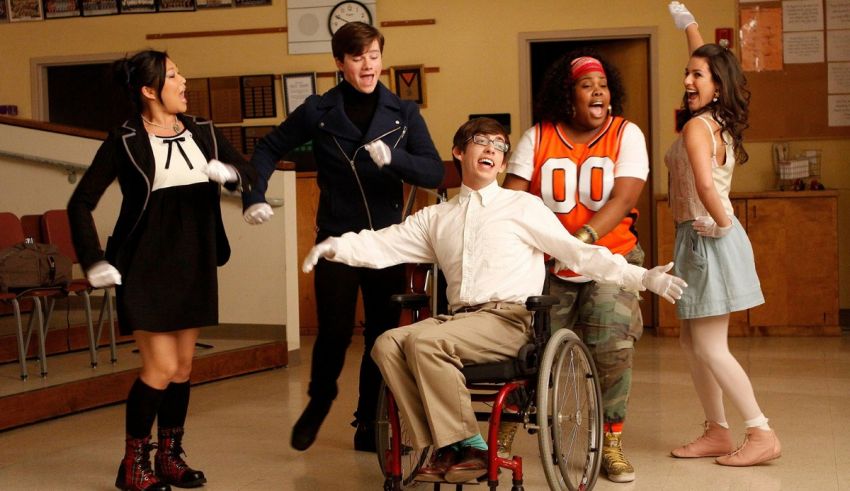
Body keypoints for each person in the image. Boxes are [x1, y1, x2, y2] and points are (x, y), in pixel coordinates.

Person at [301, 117, 686, 484]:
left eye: (500, 146)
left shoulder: (522, 207)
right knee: (387, 344)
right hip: (459, 322)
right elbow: (382, 243)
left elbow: (577, 252)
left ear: (503, 163)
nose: (492, 149)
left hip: (511, 320)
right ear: (458, 152)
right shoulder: (437, 217)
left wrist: (642, 277)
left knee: (423, 341)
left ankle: (468, 446)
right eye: (481, 142)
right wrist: (333, 246)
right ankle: (443, 448)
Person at [242, 21, 443, 452]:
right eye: (357, 58)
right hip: (336, 238)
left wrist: (396, 159)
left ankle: (368, 423)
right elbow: (267, 148)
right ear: (340, 63)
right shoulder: (318, 111)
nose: (368, 65)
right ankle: (319, 401)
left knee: (381, 335)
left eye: (374, 56)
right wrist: (254, 193)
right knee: (333, 331)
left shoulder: (404, 113)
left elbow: (434, 171)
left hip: (388, 242)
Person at [67, 50, 256, 491]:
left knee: (184, 367)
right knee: (161, 367)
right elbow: (81, 202)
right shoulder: (125, 138)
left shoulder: (204, 131)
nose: (184, 80)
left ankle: (170, 458)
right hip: (144, 265)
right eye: (173, 75)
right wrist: (94, 258)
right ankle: (133, 465)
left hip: (194, 262)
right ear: (149, 90)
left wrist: (231, 175)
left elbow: (246, 172)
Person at [502, 50, 648, 483]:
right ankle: (502, 436)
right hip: (548, 266)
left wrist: (579, 242)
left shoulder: (627, 134)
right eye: (587, 85)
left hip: (610, 259)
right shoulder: (538, 136)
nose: (598, 90)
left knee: (611, 346)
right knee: (526, 347)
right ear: (568, 96)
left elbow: (623, 199)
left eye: (602, 84)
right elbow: (514, 198)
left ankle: (611, 442)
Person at [665, 2, 781, 466]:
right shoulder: (716, 119)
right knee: (691, 343)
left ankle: (760, 432)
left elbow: (707, 186)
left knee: (710, 346)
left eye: (698, 76)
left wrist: (726, 222)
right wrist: (689, 25)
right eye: (687, 73)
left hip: (709, 236)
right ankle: (716, 430)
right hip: (699, 236)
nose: (689, 81)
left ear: (717, 85)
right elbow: (708, 58)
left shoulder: (697, 126)